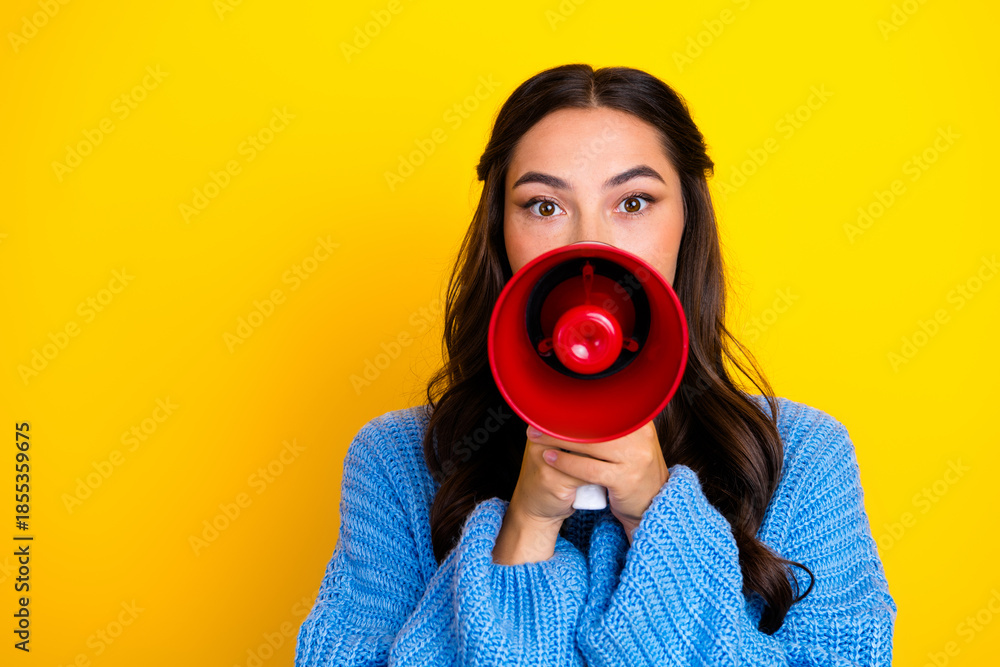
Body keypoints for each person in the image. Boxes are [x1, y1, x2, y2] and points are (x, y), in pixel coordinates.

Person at [295, 63, 896, 666]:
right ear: (498, 230)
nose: (591, 243)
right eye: (544, 206)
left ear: (688, 222)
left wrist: (657, 518)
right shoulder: (396, 463)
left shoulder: (800, 457)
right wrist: (524, 533)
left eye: (633, 202)